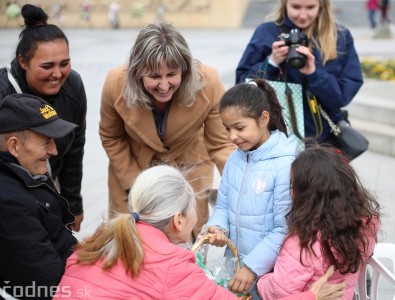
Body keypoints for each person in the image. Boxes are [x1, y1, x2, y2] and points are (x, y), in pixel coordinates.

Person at [54, 164, 343, 300]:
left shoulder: (97, 242)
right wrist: (310, 297)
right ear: (178, 220)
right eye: (194, 206)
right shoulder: (171, 265)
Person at [99, 21, 236, 235]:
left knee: (186, 247)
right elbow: (111, 136)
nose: (164, 86)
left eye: (172, 74)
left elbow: (220, 145)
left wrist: (240, 185)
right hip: (133, 171)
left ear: (185, 70)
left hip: (188, 171)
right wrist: (136, 182)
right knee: (132, 246)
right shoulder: (114, 83)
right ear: (137, 72)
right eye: (154, 76)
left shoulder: (208, 82)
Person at [206, 79, 301, 299]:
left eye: (239, 128)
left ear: (264, 119)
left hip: (270, 273)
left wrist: (251, 267)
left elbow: (285, 228)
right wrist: (217, 226)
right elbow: (222, 205)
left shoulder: (286, 164)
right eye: (227, 129)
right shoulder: (234, 160)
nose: (232, 136)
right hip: (236, 266)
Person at [0, 4, 87, 232]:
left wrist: (72, 204)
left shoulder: (73, 85)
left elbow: (75, 148)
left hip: (49, 185)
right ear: (23, 62)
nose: (57, 74)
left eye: (64, 64)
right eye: (47, 66)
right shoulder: (3, 93)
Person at [257, 141, 381, 299]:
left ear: (307, 195)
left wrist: (262, 280)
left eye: (292, 186)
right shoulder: (364, 227)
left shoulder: (304, 244)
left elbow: (278, 292)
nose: (290, 193)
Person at [235, 0, 363, 149]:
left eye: (310, 7)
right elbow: (242, 85)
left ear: (321, 5)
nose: (303, 15)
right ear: (285, 4)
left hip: (323, 139)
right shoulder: (267, 32)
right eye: (296, 7)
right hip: (275, 138)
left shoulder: (340, 37)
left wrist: (314, 73)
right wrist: (271, 62)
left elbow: (340, 97)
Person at [0, 93, 79, 300]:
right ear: (14, 146)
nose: (54, 150)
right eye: (46, 142)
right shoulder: (9, 203)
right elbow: (46, 284)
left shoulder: (24, 173)